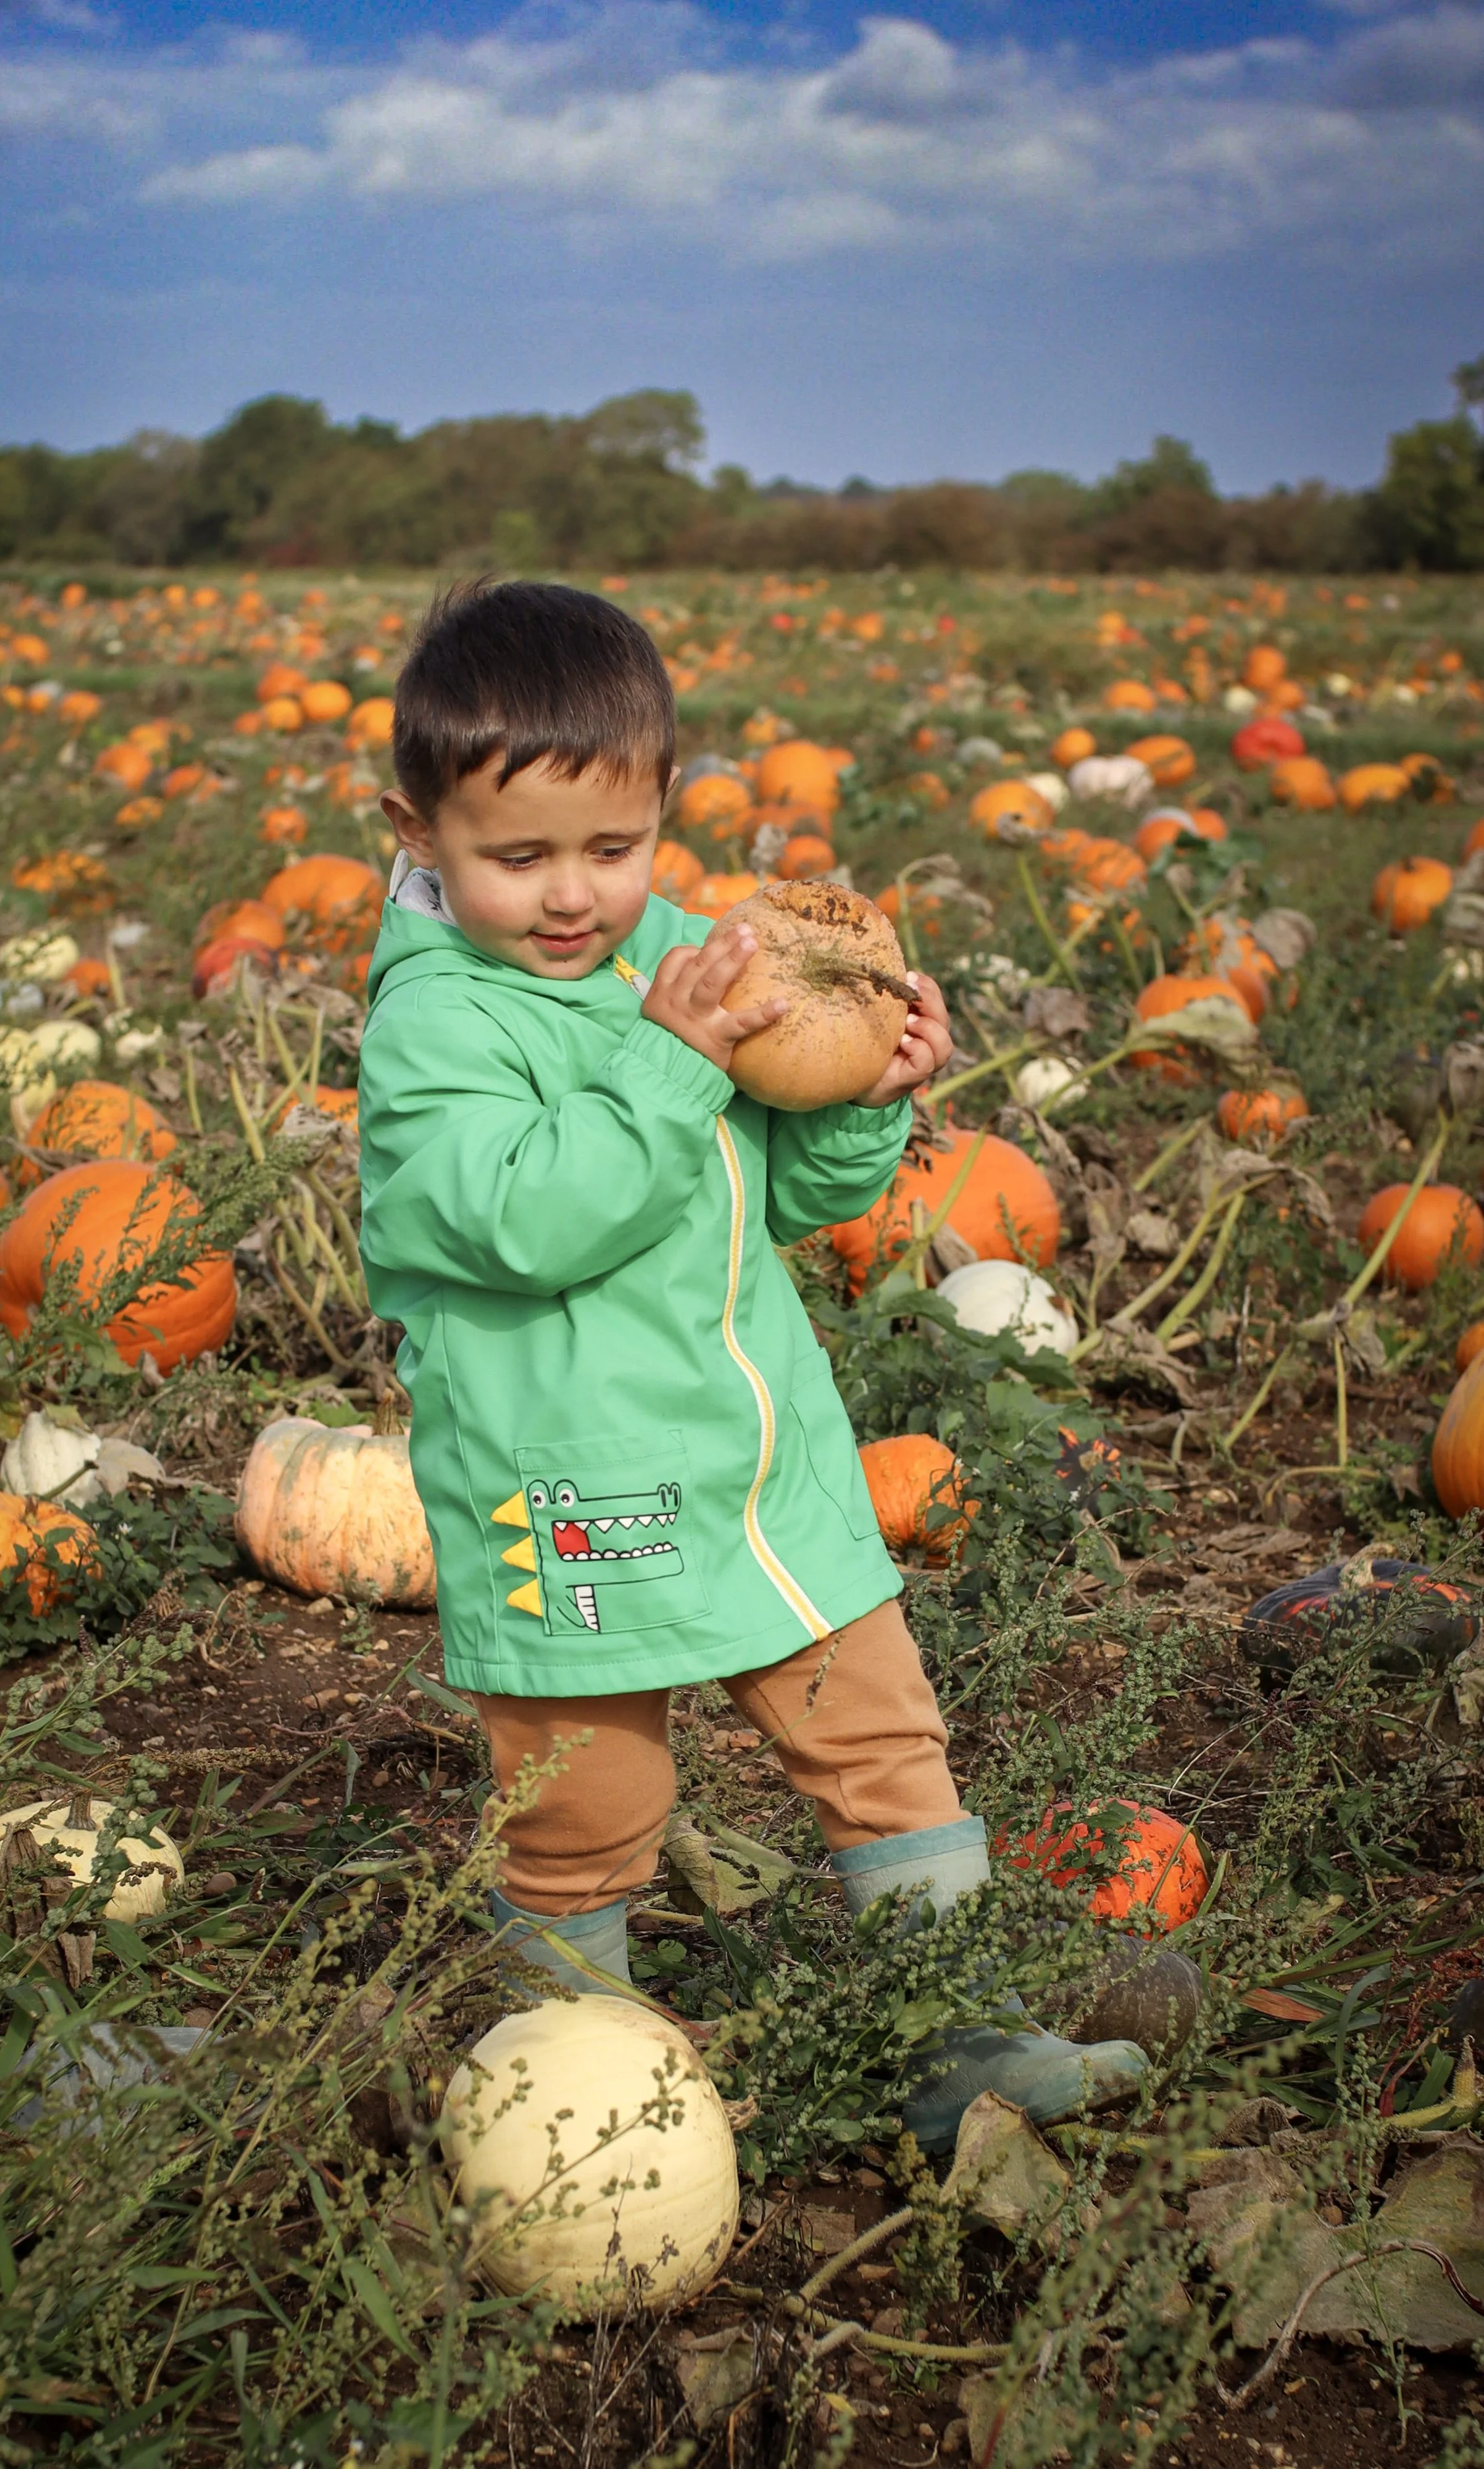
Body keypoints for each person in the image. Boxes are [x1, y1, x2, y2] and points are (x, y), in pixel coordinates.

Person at [355, 580, 1144, 2150]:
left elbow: (765, 1196)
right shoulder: (437, 1023)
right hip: (569, 1485)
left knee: (881, 1738)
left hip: (751, 1452)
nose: (574, 897)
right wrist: (669, 1056)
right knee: (586, 1805)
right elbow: (526, 1221)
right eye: (517, 858)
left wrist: (859, 1099)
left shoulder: (676, 958)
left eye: (615, 847)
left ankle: (954, 2036)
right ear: (419, 829)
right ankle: (586, 2080)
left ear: (661, 810)